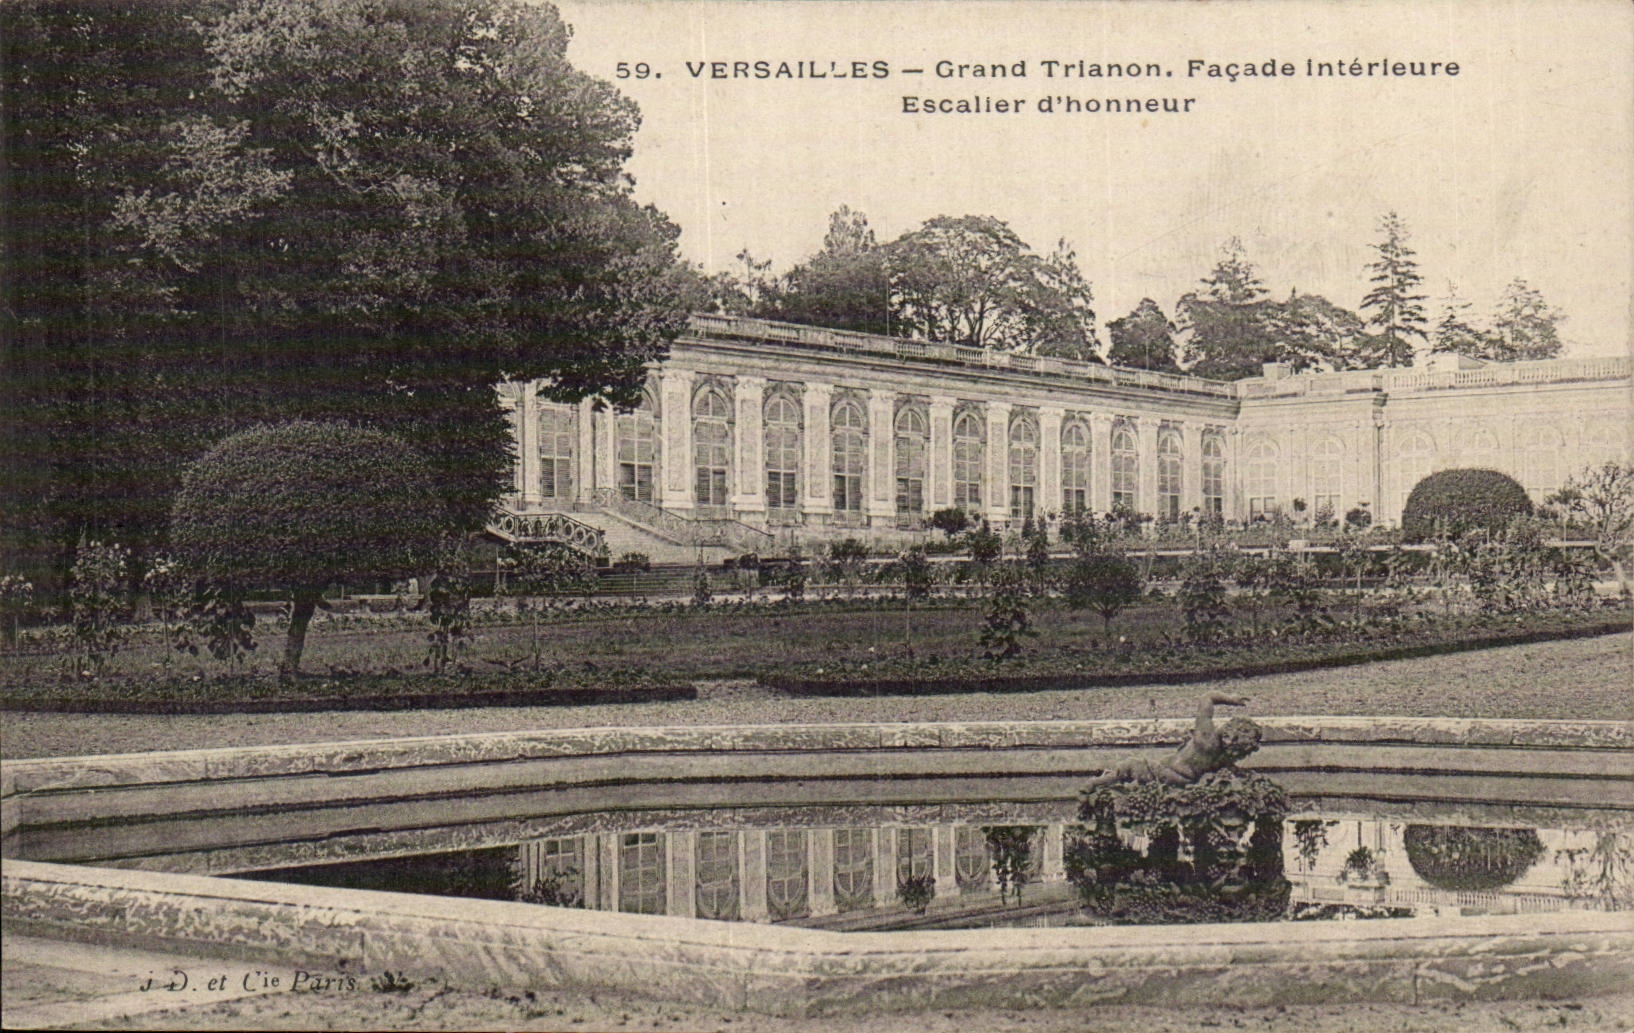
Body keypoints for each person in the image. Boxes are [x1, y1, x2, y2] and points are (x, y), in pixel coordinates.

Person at [1086, 692, 1260, 787]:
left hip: (1168, 770)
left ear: (1229, 734)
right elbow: (1228, 768)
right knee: (1139, 780)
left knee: (1131, 765)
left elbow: (1206, 697)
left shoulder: (1206, 737)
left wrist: (1230, 699)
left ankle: (1095, 785)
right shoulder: (1223, 755)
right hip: (1185, 780)